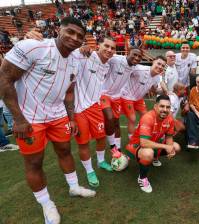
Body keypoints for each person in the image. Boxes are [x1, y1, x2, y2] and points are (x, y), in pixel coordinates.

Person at [0, 17, 96, 224]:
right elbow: (4, 78)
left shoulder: (74, 61)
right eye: (70, 32)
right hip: (29, 117)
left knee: (64, 150)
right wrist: (17, 119)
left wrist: (71, 118)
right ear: (59, 30)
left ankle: (74, 187)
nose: (75, 38)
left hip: (58, 115)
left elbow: (69, 92)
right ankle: (46, 204)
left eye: (80, 36)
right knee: (34, 162)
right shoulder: (34, 47)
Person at [74, 37, 116, 187]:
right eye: (106, 46)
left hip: (95, 106)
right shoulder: (86, 55)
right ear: (98, 45)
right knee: (83, 143)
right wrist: (81, 47)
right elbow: (70, 52)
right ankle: (89, 171)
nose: (109, 50)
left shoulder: (107, 65)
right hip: (78, 108)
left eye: (112, 48)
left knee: (101, 137)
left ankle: (101, 161)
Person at [125, 95, 181, 193]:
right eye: (162, 106)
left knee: (176, 147)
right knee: (148, 153)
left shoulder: (170, 119)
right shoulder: (148, 117)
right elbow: (144, 143)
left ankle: (155, 157)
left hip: (153, 143)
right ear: (155, 106)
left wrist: (170, 148)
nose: (165, 109)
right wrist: (165, 146)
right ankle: (142, 178)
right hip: (135, 145)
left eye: (168, 107)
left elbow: (169, 137)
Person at [100, 47, 142, 152]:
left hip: (117, 96)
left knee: (116, 123)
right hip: (104, 93)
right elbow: (101, 57)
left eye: (139, 56)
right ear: (128, 53)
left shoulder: (134, 67)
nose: (136, 58)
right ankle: (112, 146)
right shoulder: (116, 59)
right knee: (109, 118)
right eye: (134, 54)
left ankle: (118, 149)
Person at [120, 56, 166, 137]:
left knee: (146, 117)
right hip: (127, 96)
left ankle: (139, 132)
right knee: (132, 118)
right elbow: (126, 69)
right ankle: (132, 140)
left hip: (139, 99)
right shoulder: (139, 69)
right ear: (153, 62)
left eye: (162, 65)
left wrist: (165, 91)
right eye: (158, 63)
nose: (160, 67)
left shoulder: (157, 77)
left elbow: (154, 90)